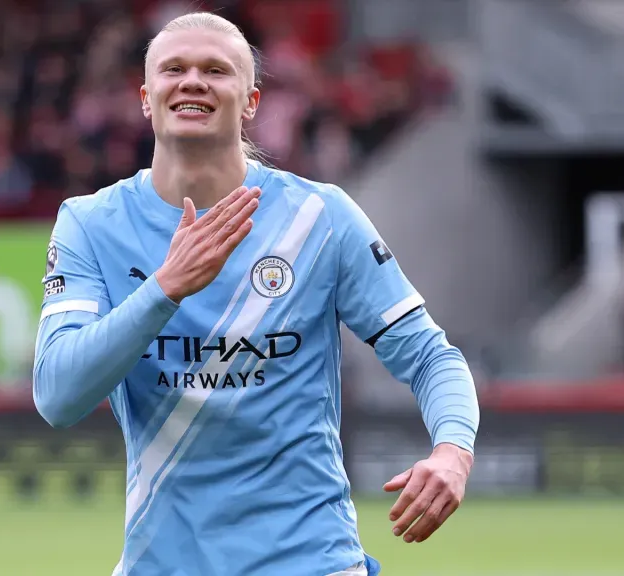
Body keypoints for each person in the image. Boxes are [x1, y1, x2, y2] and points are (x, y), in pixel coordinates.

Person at [33, 12, 479, 576]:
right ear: (146, 98)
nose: (192, 80)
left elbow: (431, 357)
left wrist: (453, 452)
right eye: (174, 68)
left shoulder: (319, 217)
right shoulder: (91, 224)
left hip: (311, 563)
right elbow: (57, 395)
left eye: (215, 70)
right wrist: (164, 289)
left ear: (251, 102)